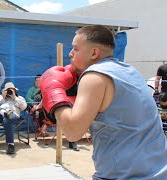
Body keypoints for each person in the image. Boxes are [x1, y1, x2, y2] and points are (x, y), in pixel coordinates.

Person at [39, 25, 167, 179]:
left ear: (94, 52)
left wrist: (54, 92)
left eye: (76, 49)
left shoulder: (94, 76)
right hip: (158, 171)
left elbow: (72, 132)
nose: (70, 53)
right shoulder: (130, 71)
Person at [0, 82, 27, 154]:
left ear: (15, 90)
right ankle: (3, 112)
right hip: (0, 116)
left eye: (11, 90)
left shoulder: (19, 98)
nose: (9, 92)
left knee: (8, 119)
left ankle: (11, 145)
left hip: (13, 116)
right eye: (8, 90)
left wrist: (14, 97)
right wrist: (2, 97)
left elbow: (23, 107)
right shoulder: (1, 97)